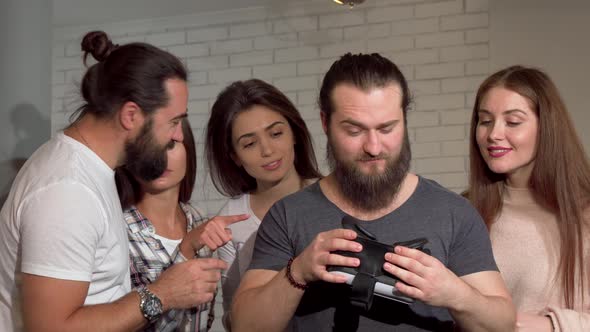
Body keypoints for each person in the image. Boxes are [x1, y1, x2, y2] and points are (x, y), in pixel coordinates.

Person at [230, 53, 516, 331]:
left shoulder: (454, 212)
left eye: (387, 128)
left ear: (404, 120)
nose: (374, 147)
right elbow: (244, 326)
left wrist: (454, 293)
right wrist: (298, 271)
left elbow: (503, 324)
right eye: (354, 131)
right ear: (325, 123)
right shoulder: (287, 215)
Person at [0, 30, 227, 331]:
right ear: (131, 116)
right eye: (173, 121)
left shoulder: (92, 171)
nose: (177, 135)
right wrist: (163, 293)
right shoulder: (67, 191)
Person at [465, 65, 590, 331]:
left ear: (547, 128)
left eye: (513, 122)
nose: (494, 134)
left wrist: (549, 325)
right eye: (485, 120)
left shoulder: (585, 213)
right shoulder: (464, 211)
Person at [204, 79, 322, 330]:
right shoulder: (232, 219)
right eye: (249, 143)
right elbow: (234, 318)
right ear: (234, 156)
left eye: (276, 133)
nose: (267, 150)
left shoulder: (331, 195)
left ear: (294, 133)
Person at [115, 118, 249, 331]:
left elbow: (203, 318)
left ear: (188, 150)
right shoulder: (117, 227)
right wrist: (186, 248)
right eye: (149, 147)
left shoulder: (198, 220)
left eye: (170, 145)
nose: (160, 157)